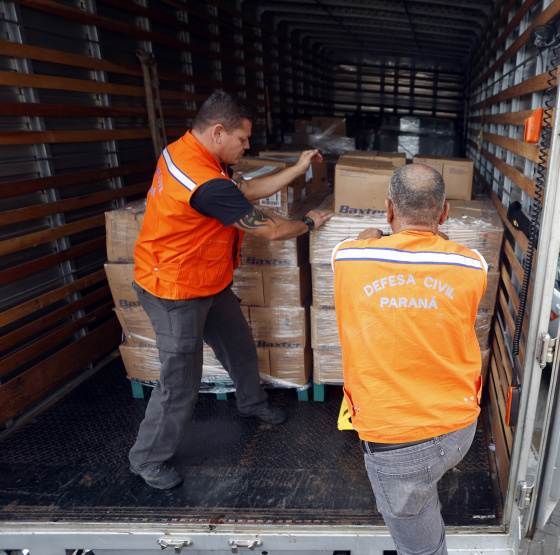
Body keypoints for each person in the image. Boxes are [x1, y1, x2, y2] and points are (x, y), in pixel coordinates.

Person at [129, 90, 332, 489]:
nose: (248, 145)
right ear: (219, 131)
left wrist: (297, 168)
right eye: (243, 139)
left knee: (238, 344)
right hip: (175, 290)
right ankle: (148, 459)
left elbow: (244, 191)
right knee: (179, 382)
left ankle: (251, 403)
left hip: (208, 281)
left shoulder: (193, 154)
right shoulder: (202, 179)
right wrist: (308, 223)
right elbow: (271, 230)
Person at [332, 164, 488, 555]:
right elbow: (445, 254)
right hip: (458, 431)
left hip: (397, 445)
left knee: (421, 548)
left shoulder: (348, 259)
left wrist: (371, 236)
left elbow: (358, 245)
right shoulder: (472, 265)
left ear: (388, 210)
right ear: (445, 212)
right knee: (425, 489)